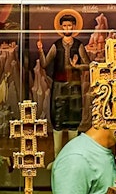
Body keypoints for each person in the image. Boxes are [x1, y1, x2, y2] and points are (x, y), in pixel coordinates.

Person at [37, 11, 89, 156]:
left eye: (69, 26)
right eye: (64, 26)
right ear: (61, 27)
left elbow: (89, 65)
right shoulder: (56, 45)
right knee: (57, 117)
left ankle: (73, 156)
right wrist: (41, 50)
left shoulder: (79, 45)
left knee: (73, 116)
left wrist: (76, 66)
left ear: (73, 27)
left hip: (74, 86)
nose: (67, 29)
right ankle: (57, 157)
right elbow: (45, 63)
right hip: (59, 86)